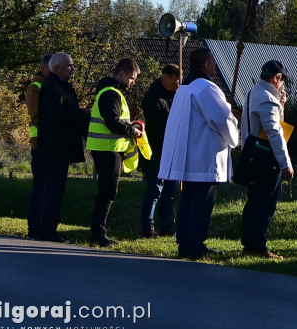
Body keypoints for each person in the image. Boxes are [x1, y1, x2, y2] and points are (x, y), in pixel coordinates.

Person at [158, 49, 239, 259]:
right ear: (205, 65)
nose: (215, 64)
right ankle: (196, 243)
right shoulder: (206, 88)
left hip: (189, 155)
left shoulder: (184, 89)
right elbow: (222, 119)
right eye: (213, 61)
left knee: (188, 199)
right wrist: (235, 134)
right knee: (202, 203)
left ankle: (184, 241)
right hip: (205, 156)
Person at [87, 57, 144, 247]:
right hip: (107, 150)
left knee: (106, 192)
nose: (133, 83)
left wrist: (129, 126)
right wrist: (132, 130)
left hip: (108, 149)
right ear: (121, 74)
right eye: (132, 78)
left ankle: (99, 232)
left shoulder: (110, 92)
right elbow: (111, 121)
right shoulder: (111, 94)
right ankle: (98, 234)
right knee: (107, 193)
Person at [240, 60, 295, 259]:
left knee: (254, 202)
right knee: (265, 205)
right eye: (281, 81)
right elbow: (274, 132)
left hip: (252, 155)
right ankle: (258, 246)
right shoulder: (267, 99)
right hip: (266, 158)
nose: (282, 86)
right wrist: (285, 163)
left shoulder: (253, 93)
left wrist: (280, 105)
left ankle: (249, 243)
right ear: (276, 78)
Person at [36, 52, 89, 242]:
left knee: (56, 190)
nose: (72, 68)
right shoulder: (52, 87)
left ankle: (48, 229)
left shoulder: (61, 86)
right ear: (57, 68)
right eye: (69, 65)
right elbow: (57, 113)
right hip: (54, 148)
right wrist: (81, 113)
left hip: (60, 148)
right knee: (53, 190)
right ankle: (47, 230)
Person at [139, 64, 181, 238]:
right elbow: (160, 123)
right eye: (174, 83)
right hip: (157, 149)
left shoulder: (176, 97)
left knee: (170, 192)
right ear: (165, 79)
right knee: (155, 190)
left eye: (179, 83)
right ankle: (148, 227)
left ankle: (167, 226)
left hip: (172, 150)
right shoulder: (153, 98)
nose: (177, 86)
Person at [25, 54, 52, 239]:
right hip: (40, 145)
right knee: (40, 188)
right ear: (44, 68)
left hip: (54, 147)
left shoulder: (55, 87)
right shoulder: (36, 88)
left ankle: (46, 228)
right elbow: (37, 118)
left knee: (50, 189)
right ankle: (34, 229)